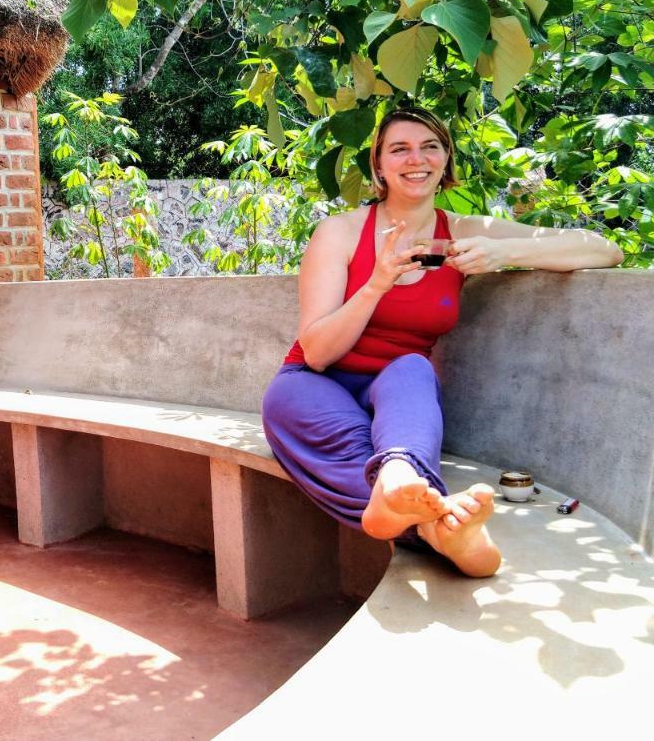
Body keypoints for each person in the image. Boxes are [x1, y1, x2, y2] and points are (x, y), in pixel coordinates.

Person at [260, 106, 623, 577]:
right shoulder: (342, 232)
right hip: (315, 382)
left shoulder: (466, 231)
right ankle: (434, 527)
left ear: (446, 160)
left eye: (430, 146)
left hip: (399, 392)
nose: (417, 158)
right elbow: (319, 351)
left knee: (412, 367)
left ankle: (400, 478)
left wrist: (504, 251)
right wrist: (377, 283)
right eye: (400, 149)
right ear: (379, 166)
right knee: (318, 418)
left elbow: (604, 248)